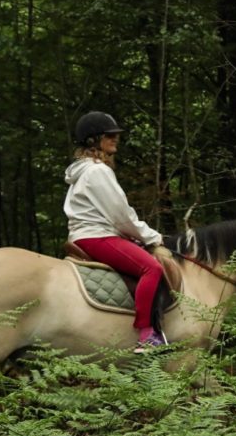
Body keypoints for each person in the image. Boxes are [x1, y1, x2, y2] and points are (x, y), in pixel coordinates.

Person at [64, 111, 173, 352]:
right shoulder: (97, 171)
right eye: (110, 135)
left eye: (115, 135)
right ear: (94, 140)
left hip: (87, 234)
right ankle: (147, 335)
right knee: (151, 268)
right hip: (96, 236)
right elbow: (121, 215)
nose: (116, 139)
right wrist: (153, 237)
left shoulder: (83, 172)